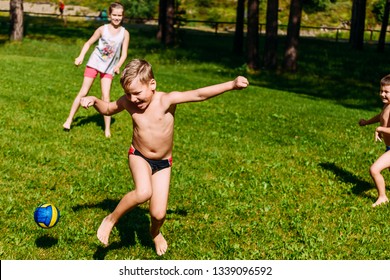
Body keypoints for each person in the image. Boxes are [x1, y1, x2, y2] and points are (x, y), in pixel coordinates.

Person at [80, 59, 249, 255]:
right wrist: (94, 100)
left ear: (152, 85)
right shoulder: (127, 102)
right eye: (128, 94)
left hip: (163, 163)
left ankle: (155, 233)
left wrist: (231, 84)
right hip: (139, 155)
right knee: (143, 192)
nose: (133, 99)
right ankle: (110, 220)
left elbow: (199, 94)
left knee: (158, 214)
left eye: (137, 93)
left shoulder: (166, 100)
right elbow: (108, 109)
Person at [63, 2, 130, 138]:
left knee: (106, 97)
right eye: (114, 15)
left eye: (119, 15)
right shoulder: (102, 29)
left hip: (109, 68)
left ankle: (107, 129)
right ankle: (69, 120)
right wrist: (81, 56)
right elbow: (88, 43)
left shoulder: (124, 33)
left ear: (123, 16)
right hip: (94, 63)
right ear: (109, 15)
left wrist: (118, 66)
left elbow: (124, 54)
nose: (117, 17)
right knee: (84, 91)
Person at [359, 74, 390, 207]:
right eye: (381, 91)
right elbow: (381, 117)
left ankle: (382, 197)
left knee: (374, 170)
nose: (382, 94)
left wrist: (380, 129)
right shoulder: (387, 106)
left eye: (387, 92)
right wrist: (367, 122)